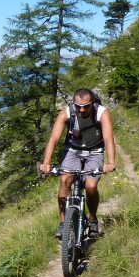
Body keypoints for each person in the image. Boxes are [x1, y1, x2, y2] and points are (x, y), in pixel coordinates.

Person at [38, 88, 116, 240]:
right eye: (78, 106)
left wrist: (111, 162)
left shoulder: (102, 113)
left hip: (94, 151)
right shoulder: (67, 112)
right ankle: (63, 223)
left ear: (92, 103)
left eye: (86, 106)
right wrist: (46, 163)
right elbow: (54, 139)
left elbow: (108, 139)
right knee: (65, 180)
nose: (81, 109)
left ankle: (92, 220)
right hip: (72, 150)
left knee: (91, 185)